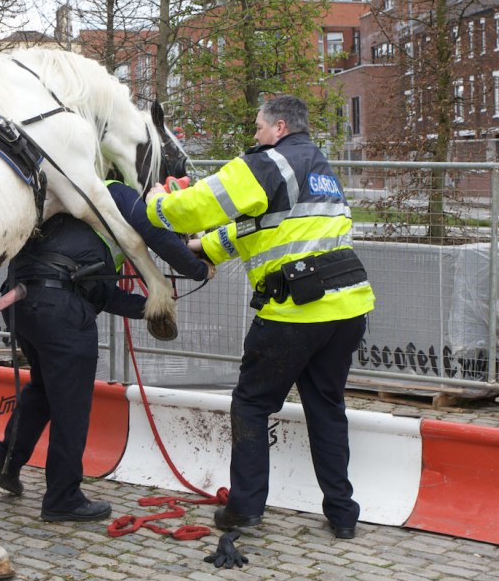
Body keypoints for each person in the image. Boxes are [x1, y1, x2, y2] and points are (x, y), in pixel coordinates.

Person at [145, 95, 375, 539]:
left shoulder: (272, 162)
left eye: (257, 128)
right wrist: (205, 248)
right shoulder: (319, 168)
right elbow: (264, 227)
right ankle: (343, 513)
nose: (254, 135)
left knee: (251, 404)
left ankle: (246, 509)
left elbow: (201, 205)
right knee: (326, 408)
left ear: (279, 127)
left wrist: (158, 205)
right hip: (347, 310)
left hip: (294, 313)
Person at [0, 180, 214, 522]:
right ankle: (62, 498)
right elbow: (160, 237)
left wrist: (149, 307)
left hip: (22, 301)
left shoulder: (75, 205)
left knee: (45, 389)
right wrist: (199, 270)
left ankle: (6, 459)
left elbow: (97, 292)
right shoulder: (116, 193)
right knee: (71, 406)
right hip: (60, 307)